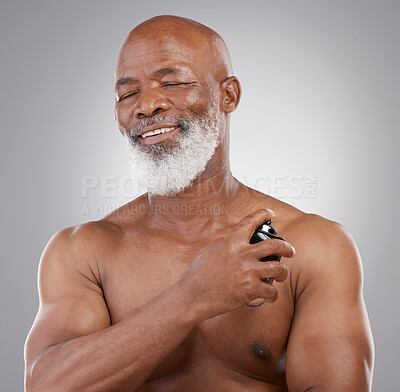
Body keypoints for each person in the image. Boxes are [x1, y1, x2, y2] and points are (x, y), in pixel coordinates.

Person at [24, 15, 374, 392]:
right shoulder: (83, 252)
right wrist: (193, 296)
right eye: (127, 94)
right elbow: (47, 386)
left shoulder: (314, 246)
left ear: (229, 96)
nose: (147, 106)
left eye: (172, 83)